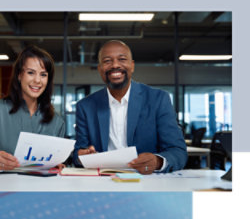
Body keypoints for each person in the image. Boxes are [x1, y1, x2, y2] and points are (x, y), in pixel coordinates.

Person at [73, 40, 187, 174]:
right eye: (107, 61)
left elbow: (178, 151)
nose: (115, 65)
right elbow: (78, 154)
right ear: (100, 69)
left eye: (122, 59)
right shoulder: (85, 106)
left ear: (132, 66)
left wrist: (158, 161)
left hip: (146, 180)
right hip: (103, 180)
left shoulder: (158, 99)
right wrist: (82, 156)